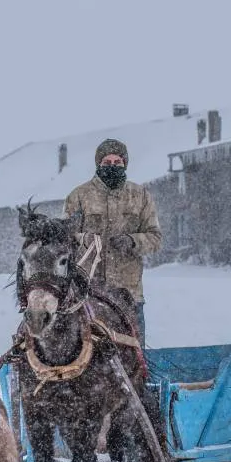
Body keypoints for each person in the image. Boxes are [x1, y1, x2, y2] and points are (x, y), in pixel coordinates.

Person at [63, 138, 162, 343]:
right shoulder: (79, 196)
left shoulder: (140, 196)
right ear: (98, 163)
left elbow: (155, 238)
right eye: (107, 162)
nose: (112, 166)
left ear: (125, 163)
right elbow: (65, 237)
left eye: (117, 162)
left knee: (134, 352)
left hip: (129, 293)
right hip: (88, 292)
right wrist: (85, 239)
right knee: (88, 351)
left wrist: (132, 241)